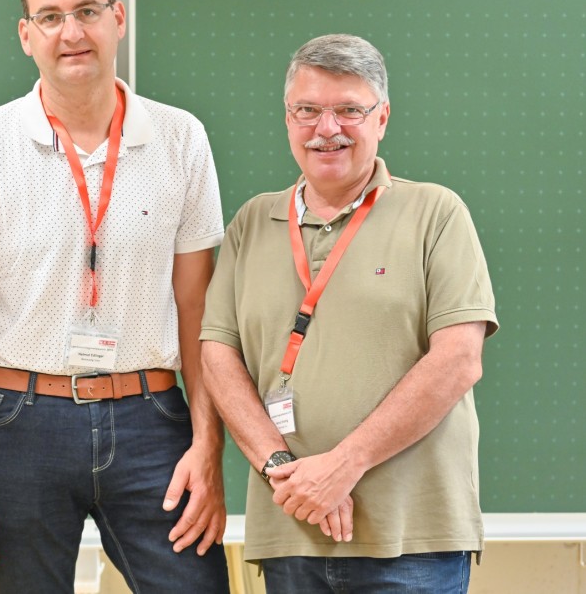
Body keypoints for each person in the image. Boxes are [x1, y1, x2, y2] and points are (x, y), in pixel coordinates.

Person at [0, 0, 231, 594]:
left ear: (118, 18)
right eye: (51, 16)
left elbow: (198, 306)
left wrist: (209, 446)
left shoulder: (181, 138)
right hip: (16, 421)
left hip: (151, 419)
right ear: (26, 34)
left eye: (88, 11)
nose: (71, 32)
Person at [200, 33, 499, 593]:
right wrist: (281, 469)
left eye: (349, 110)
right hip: (289, 529)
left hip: (411, 542)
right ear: (287, 119)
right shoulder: (251, 223)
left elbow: (459, 360)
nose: (326, 128)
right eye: (307, 110)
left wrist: (344, 466)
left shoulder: (435, 212)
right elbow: (217, 355)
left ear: (382, 117)